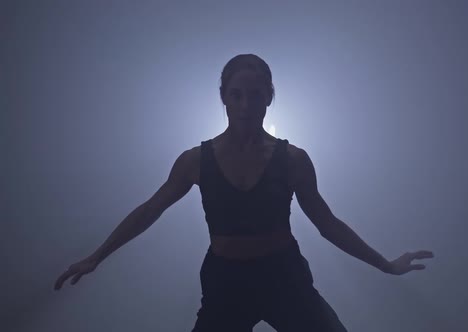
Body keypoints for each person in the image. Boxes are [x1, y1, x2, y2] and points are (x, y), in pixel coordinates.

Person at [54, 54, 435, 331]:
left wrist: (384, 264)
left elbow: (327, 223)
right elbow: (150, 209)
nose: (246, 105)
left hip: (285, 276)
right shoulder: (194, 161)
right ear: (223, 96)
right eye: (237, 94)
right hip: (225, 281)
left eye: (255, 94)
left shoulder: (293, 159)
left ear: (270, 96)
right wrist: (97, 256)